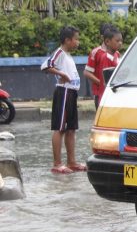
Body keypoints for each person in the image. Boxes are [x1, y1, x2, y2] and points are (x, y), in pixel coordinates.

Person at [41, 25, 85, 174]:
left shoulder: (67, 55)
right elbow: (46, 66)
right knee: (59, 128)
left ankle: (71, 162)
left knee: (71, 129)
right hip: (63, 92)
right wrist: (62, 75)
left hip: (72, 92)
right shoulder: (59, 52)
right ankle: (57, 163)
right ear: (67, 40)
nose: (78, 42)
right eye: (76, 39)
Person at [84, 24, 123, 108]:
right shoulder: (101, 55)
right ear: (106, 40)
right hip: (102, 94)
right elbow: (88, 73)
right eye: (117, 41)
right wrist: (100, 82)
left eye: (121, 41)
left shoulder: (117, 54)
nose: (120, 43)